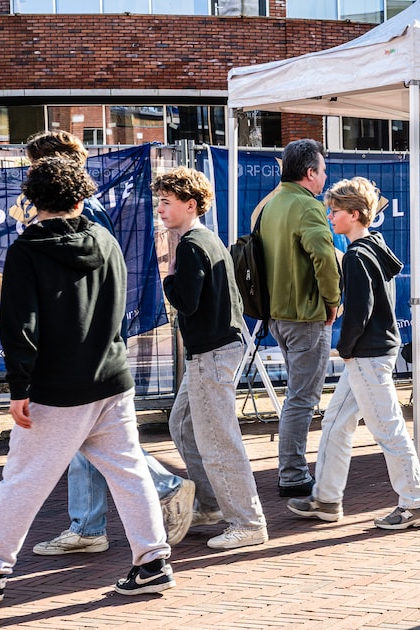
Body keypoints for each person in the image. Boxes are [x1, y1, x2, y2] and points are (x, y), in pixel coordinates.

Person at [0, 157, 174, 604]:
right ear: (82, 196)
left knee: (23, 481)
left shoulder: (27, 249)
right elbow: (118, 304)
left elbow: (18, 324)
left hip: (58, 388)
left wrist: (20, 386)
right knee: (129, 472)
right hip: (111, 378)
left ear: (31, 200)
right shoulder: (104, 238)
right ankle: (152, 561)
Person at [22, 130, 195, 555]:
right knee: (91, 437)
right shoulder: (88, 208)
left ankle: (133, 502)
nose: (29, 173)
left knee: (88, 437)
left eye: (34, 165)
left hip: (87, 344)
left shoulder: (83, 213)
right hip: (94, 340)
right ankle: (91, 524)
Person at [287, 178, 420, 529]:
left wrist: (346, 349)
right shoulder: (372, 246)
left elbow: (359, 309)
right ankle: (326, 498)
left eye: (335, 211)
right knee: (336, 423)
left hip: (367, 355)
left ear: (354, 214)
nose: (329, 216)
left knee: (388, 430)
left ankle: (415, 503)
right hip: (371, 353)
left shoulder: (356, 256)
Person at [154, 168, 269, 550]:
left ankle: (247, 521)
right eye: (160, 202)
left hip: (212, 352)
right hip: (215, 349)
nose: (161, 209)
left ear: (190, 205)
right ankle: (211, 503)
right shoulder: (203, 239)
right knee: (183, 424)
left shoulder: (191, 245)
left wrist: (168, 274)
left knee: (218, 439)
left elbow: (186, 299)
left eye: (167, 203)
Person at [259, 138, 341, 497]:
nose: (325, 176)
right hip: (307, 315)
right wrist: (333, 301)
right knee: (303, 398)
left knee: (297, 395)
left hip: (279, 313)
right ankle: (292, 474)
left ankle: (291, 471)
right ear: (310, 173)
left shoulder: (274, 204)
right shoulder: (307, 207)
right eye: (322, 170)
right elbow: (324, 258)